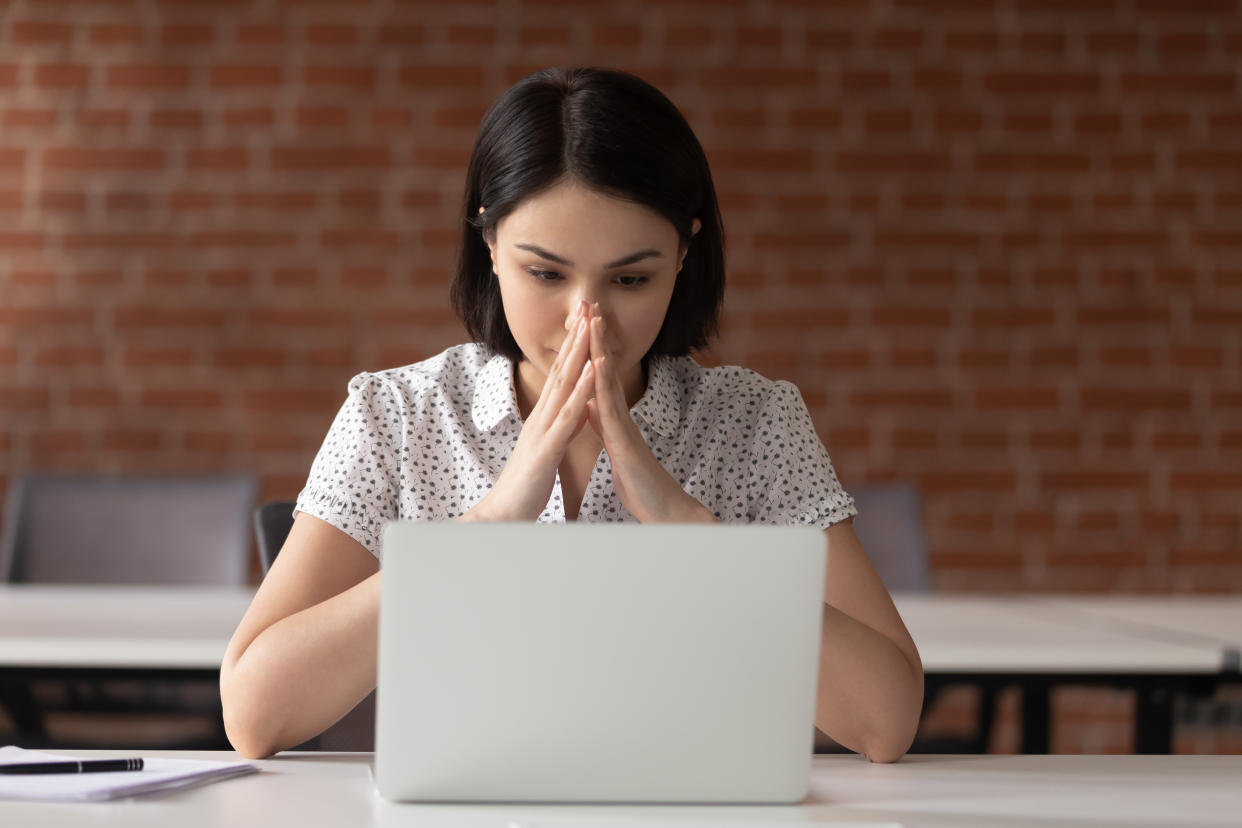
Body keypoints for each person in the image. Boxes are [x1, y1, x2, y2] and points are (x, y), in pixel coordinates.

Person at [220, 67, 923, 762]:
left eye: (630, 279)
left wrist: (692, 532)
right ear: (490, 244)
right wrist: (481, 532)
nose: (588, 320)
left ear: (684, 255)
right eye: (546, 274)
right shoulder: (398, 415)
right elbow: (254, 715)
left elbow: (885, 723)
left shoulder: (757, 422)